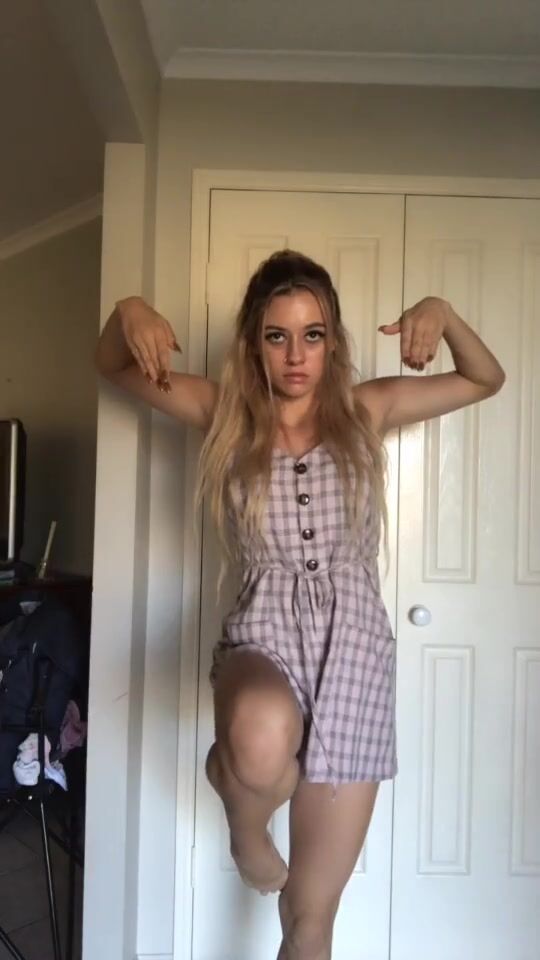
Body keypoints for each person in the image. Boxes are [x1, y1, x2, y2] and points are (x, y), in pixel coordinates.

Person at [95, 250, 505, 960]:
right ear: (253, 343)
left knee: (310, 923)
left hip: (356, 659)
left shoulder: (367, 410)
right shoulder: (223, 413)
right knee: (259, 744)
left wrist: (442, 312)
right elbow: (111, 365)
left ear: (332, 342)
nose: (295, 355)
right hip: (264, 638)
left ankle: (245, 801)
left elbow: (483, 378)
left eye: (312, 335)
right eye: (277, 335)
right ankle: (245, 822)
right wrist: (126, 312)